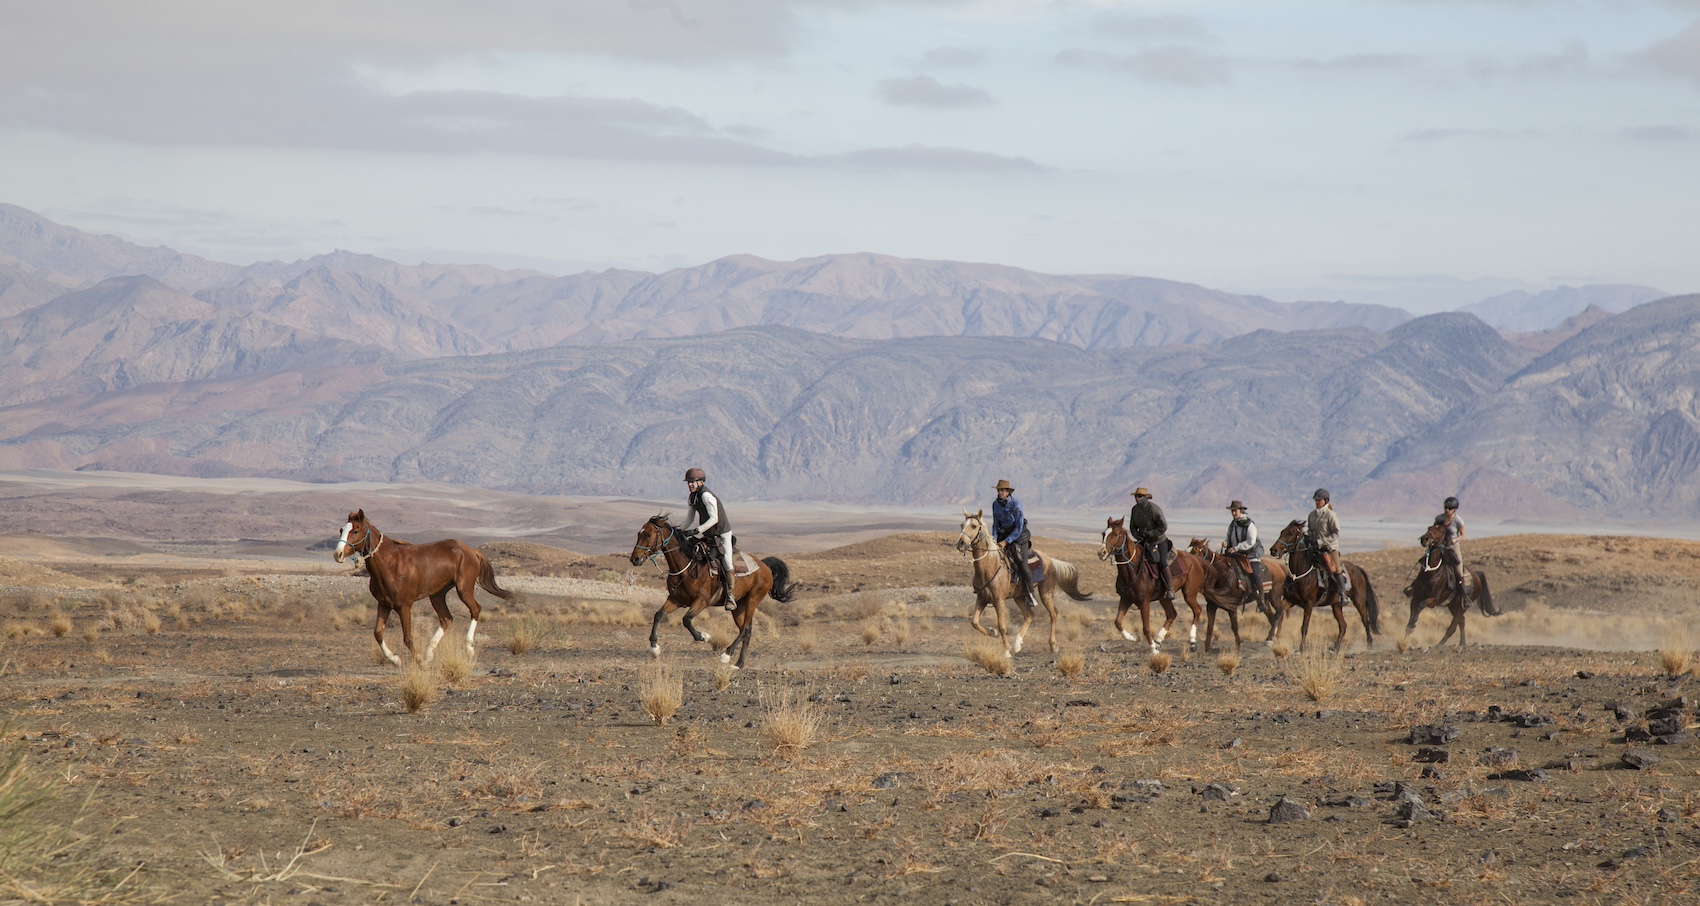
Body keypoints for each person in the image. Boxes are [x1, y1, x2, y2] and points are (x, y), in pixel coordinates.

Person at [679, 467, 736, 608]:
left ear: (701, 482)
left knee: (727, 562)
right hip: (709, 535)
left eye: (693, 482)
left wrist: (696, 531)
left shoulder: (706, 496)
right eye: (688, 482)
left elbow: (714, 518)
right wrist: (679, 531)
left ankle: (730, 595)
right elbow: (689, 518)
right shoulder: (693, 497)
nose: (690, 485)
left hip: (722, 534)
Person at [991, 479, 1040, 609]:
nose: (1000, 492)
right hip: (1002, 536)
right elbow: (995, 524)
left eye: (1003, 490)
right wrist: (994, 540)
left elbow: (1018, 528)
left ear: (1008, 492)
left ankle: (1030, 594)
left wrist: (1006, 541)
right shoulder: (995, 505)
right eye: (999, 490)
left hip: (1019, 537)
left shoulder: (1016, 505)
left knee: (1022, 563)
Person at [1128, 487, 1172, 600]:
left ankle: (1170, 589)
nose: (1137, 499)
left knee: (1162, 562)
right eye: (1136, 496)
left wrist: (1151, 534)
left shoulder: (1154, 509)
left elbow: (1163, 526)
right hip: (1143, 541)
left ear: (1146, 498)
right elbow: (1132, 526)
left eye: (1139, 496)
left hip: (1159, 540)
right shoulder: (1135, 510)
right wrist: (1138, 536)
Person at [1303, 488, 1348, 597]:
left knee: (1336, 569)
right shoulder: (1311, 515)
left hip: (1329, 548)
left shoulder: (1331, 515)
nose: (1317, 502)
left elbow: (1336, 533)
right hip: (1314, 548)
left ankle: (1343, 594)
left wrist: (1321, 542)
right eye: (1316, 500)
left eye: (1319, 500)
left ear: (1326, 501)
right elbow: (1310, 530)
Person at [1223, 500, 1267, 609]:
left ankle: (1260, 600)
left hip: (1250, 554)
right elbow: (1229, 537)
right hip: (1236, 554)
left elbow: (1251, 542)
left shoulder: (1250, 524)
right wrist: (1226, 543)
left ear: (1241, 511)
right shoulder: (1233, 524)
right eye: (1232, 511)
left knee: (1255, 575)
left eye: (1235, 511)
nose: (1233, 513)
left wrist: (1236, 548)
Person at [1433, 495, 1467, 601]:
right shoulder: (1439, 518)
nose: (1447, 510)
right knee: (1426, 561)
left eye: (1449, 508)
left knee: (1458, 569)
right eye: (1445, 507)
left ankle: (1463, 596)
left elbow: (1462, 535)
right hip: (1439, 546)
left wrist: (1454, 540)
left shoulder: (1458, 521)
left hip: (1452, 547)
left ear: (1454, 509)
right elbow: (1435, 530)